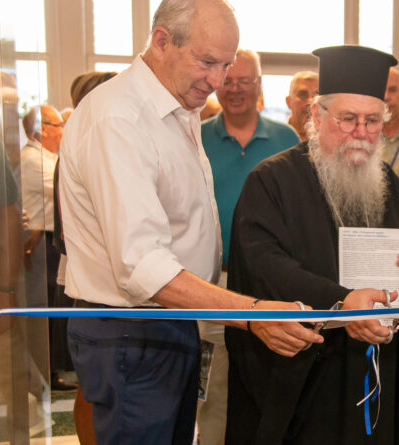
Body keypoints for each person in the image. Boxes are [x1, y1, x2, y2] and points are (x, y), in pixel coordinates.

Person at [57, 1, 323, 444]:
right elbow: (142, 266)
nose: (218, 81)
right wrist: (252, 314)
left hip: (170, 321)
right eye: (207, 62)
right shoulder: (119, 117)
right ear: (162, 41)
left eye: (226, 65)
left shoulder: (175, 107)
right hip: (132, 329)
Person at [224, 44, 399, 445]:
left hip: (373, 369)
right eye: (348, 119)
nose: (361, 133)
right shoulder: (271, 181)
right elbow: (263, 265)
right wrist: (340, 301)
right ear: (317, 115)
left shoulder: (388, 184)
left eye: (372, 121)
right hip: (306, 378)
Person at [198, 48, 299, 445]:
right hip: (212, 284)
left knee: (272, 383)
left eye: (246, 81)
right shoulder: (197, 135)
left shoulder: (286, 138)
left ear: (260, 85)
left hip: (272, 287)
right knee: (213, 388)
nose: (236, 89)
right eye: (229, 80)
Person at [56, 70, 117, 445]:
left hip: (93, 278)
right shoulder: (85, 148)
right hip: (91, 281)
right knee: (93, 385)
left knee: (94, 383)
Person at [20, 105, 74, 391]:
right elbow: (67, 188)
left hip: (49, 240)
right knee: (46, 307)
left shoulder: (47, 157)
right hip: (41, 243)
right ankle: (46, 372)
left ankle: (51, 369)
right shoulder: (34, 160)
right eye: (58, 125)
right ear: (42, 129)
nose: (63, 131)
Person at [285, 70, 319, 140]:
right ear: (289, 102)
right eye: (303, 95)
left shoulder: (331, 140)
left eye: (316, 96)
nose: (310, 102)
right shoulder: (276, 138)